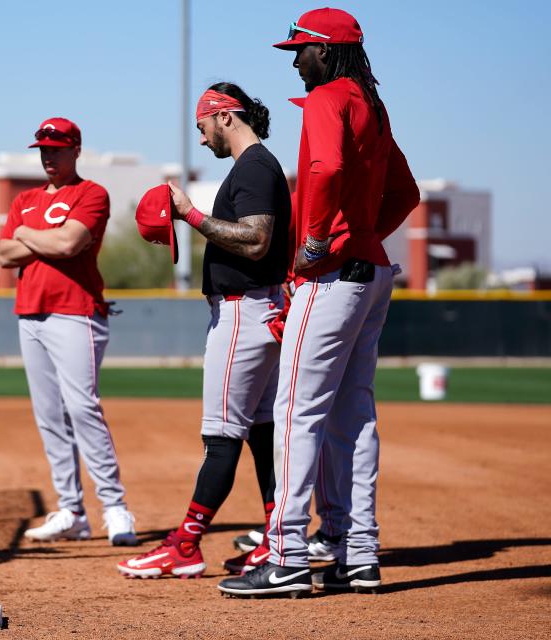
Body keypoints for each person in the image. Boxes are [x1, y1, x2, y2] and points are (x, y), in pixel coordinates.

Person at [218, 8, 419, 597]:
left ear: (326, 51)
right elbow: (405, 192)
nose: (296, 60)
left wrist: (316, 241)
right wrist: (360, 234)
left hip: (330, 275)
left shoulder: (331, 96)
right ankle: (356, 551)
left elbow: (328, 165)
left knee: (294, 410)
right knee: (352, 415)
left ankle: (285, 556)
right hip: (372, 272)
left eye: (300, 50)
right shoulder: (373, 104)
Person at [117, 83, 291, 578]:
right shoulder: (258, 166)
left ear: (225, 117)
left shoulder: (254, 166)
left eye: (202, 127)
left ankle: (186, 544)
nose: (201, 138)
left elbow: (257, 241)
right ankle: (276, 535)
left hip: (243, 313)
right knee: (260, 430)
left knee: (221, 434)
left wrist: (189, 213)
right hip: (257, 309)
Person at [0, 117, 138, 546]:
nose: (47, 155)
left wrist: (26, 233)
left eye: (56, 148)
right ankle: (72, 511)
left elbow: (69, 244)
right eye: (42, 148)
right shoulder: (25, 198)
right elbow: (5, 255)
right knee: (50, 417)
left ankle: (114, 507)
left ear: (76, 150)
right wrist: (40, 235)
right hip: (31, 312)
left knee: (82, 408)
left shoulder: (92, 193)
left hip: (76, 311)